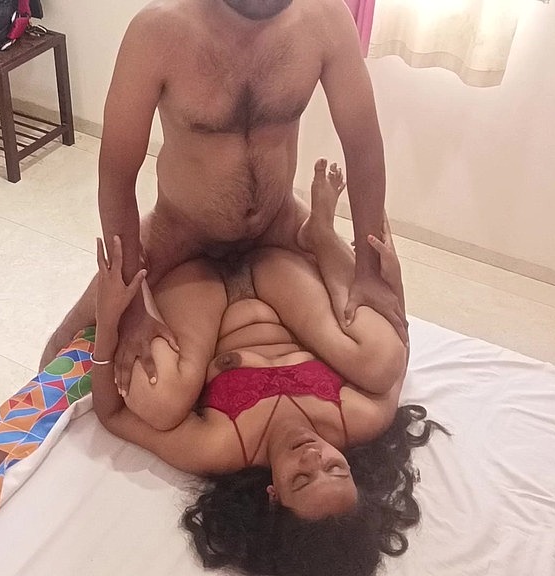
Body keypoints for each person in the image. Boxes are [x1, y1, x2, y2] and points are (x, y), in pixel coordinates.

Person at [90, 161, 441, 575]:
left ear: (274, 496)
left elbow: (112, 414)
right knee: (381, 364)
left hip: (201, 286)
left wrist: (109, 320)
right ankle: (322, 236)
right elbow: (400, 347)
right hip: (277, 275)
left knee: (162, 400)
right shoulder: (360, 419)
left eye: (301, 479)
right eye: (334, 468)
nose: (313, 456)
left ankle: (135, 283)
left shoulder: (220, 447)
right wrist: (391, 281)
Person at [40, 0, 403, 391]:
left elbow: (364, 150)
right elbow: (116, 178)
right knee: (58, 352)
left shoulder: (326, 18)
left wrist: (368, 270)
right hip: (177, 232)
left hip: (280, 223)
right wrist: (132, 309)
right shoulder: (156, 32)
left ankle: (318, 231)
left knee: (387, 343)